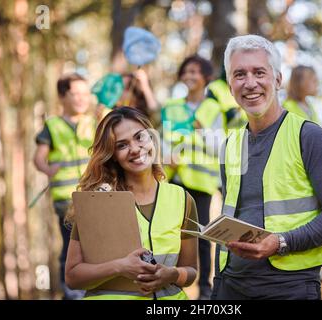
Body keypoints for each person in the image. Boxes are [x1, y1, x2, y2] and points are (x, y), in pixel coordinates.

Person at [211, 35, 322, 300]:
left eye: (259, 72)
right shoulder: (230, 145)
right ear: (230, 86)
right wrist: (218, 285)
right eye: (239, 74)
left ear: (277, 80)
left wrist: (280, 242)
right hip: (230, 287)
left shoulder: (309, 137)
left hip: (289, 288)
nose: (250, 83)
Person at [64, 107, 198, 300]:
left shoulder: (182, 199)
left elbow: (191, 271)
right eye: (122, 145)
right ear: (112, 155)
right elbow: (72, 277)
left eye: (140, 137)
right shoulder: (98, 200)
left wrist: (173, 274)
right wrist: (120, 266)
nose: (135, 148)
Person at [161, 55, 225, 300]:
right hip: (175, 179)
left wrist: (202, 130)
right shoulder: (172, 107)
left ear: (206, 77)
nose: (189, 76)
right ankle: (172, 283)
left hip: (202, 183)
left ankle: (205, 290)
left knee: (201, 236)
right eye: (185, 71)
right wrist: (168, 156)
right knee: (172, 232)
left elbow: (219, 146)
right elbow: (165, 138)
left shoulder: (213, 108)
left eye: (195, 72)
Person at [33, 73, 96, 299]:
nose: (81, 99)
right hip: (66, 198)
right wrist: (47, 169)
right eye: (75, 94)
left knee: (95, 243)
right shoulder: (52, 125)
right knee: (72, 244)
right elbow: (38, 157)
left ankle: (94, 289)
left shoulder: (94, 122)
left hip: (94, 195)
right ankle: (72, 292)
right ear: (62, 96)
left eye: (85, 94)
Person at [94, 69, 159, 125]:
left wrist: (145, 85)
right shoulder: (111, 110)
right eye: (119, 85)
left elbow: (154, 109)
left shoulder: (142, 110)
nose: (120, 90)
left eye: (127, 86)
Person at [206, 65, 248, 130]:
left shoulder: (248, 86)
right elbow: (208, 115)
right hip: (223, 135)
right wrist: (229, 114)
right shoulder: (214, 87)